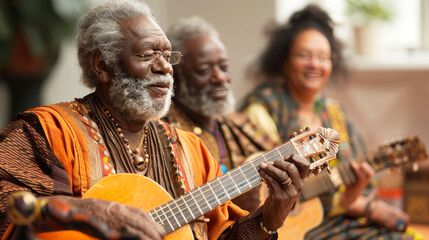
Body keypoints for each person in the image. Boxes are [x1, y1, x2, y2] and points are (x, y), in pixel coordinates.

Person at [0, 1, 310, 240]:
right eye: (148, 55)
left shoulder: (191, 150)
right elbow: (6, 204)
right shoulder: (48, 131)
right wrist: (86, 211)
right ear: (102, 65)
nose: (165, 68)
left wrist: (271, 215)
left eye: (168, 57)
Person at [241, 4, 413, 240]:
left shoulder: (334, 113)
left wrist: (352, 198)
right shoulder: (263, 109)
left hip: (336, 220)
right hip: (288, 229)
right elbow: (253, 191)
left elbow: (345, 189)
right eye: (304, 55)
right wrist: (367, 208)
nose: (315, 64)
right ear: (284, 60)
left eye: (323, 57)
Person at [164, 16, 279, 212]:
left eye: (224, 67)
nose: (220, 77)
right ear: (176, 74)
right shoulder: (163, 133)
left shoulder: (241, 124)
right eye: (204, 70)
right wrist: (230, 203)